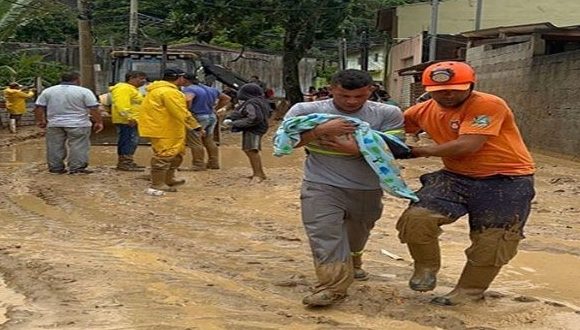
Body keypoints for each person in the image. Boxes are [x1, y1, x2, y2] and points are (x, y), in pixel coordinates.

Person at [398, 61, 535, 306]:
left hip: (507, 179)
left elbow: (468, 145)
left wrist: (419, 151)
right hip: (456, 176)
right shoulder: (421, 111)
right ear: (428, 89)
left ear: (470, 85)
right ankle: (426, 267)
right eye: (439, 90)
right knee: (416, 218)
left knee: (493, 241)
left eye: (454, 88)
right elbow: (392, 129)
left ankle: (469, 291)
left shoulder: (488, 104)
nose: (447, 94)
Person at [282, 69, 405, 307]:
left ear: (371, 90)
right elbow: (285, 143)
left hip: (367, 188)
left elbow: (397, 149)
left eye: (359, 96)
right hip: (321, 184)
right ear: (331, 90)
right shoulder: (305, 111)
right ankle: (332, 287)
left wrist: (357, 150)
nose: (351, 102)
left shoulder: (388, 113)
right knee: (324, 233)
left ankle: (354, 259)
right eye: (343, 96)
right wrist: (319, 131)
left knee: (358, 233)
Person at [137, 68, 201, 193]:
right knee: (164, 155)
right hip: (165, 129)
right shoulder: (169, 92)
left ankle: (168, 178)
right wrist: (195, 126)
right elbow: (180, 111)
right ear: (180, 78)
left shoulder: (157, 90)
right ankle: (158, 183)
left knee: (177, 154)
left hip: (167, 127)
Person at [34, 72, 103, 174]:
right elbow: (93, 108)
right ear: (77, 79)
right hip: (79, 124)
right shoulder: (84, 91)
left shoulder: (48, 91)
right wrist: (99, 122)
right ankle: (77, 168)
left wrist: (40, 120)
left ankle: (55, 168)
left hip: (55, 124)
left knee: (54, 146)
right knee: (78, 146)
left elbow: (39, 107)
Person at [181, 73, 230, 171]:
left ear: (185, 80)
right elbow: (226, 98)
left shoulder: (189, 89)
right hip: (211, 116)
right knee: (209, 140)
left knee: (195, 140)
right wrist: (216, 109)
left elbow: (188, 99)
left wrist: (187, 110)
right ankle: (214, 162)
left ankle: (198, 164)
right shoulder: (210, 89)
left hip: (198, 116)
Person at [224, 83, 271, 183]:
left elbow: (254, 118)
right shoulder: (260, 101)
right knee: (249, 149)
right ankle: (258, 173)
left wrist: (234, 123)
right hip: (257, 127)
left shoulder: (252, 103)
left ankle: (259, 174)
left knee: (252, 150)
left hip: (254, 128)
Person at [109, 71, 148, 171]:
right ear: (131, 78)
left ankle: (127, 161)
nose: (143, 81)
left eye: (144, 79)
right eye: (141, 78)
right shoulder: (123, 88)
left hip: (132, 120)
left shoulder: (132, 89)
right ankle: (125, 163)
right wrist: (129, 118)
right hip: (127, 121)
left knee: (131, 141)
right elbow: (121, 105)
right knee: (128, 141)